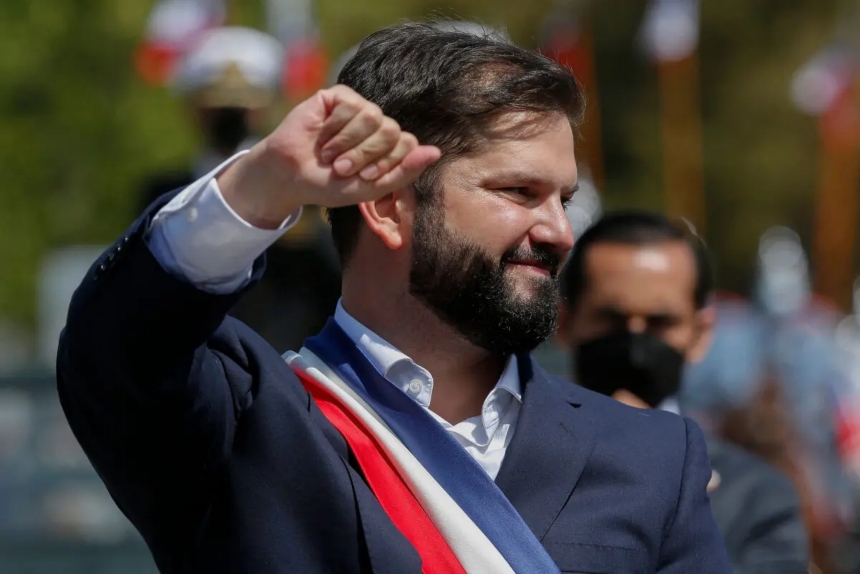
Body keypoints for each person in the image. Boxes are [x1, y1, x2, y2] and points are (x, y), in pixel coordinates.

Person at [57, 21, 730, 572]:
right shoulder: (241, 425)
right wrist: (260, 188)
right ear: (386, 206)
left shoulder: (653, 457)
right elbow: (116, 344)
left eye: (565, 198)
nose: (557, 231)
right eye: (518, 193)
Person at [556, 210, 810, 573]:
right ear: (565, 323)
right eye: (611, 319)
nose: (635, 344)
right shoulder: (515, 462)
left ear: (700, 333)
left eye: (660, 323)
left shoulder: (756, 497)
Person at [138, 25, 342, 353]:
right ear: (194, 110)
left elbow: (334, 278)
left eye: (241, 107)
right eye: (218, 107)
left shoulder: (302, 188)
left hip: (288, 364)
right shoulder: (163, 193)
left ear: (267, 108)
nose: (229, 119)